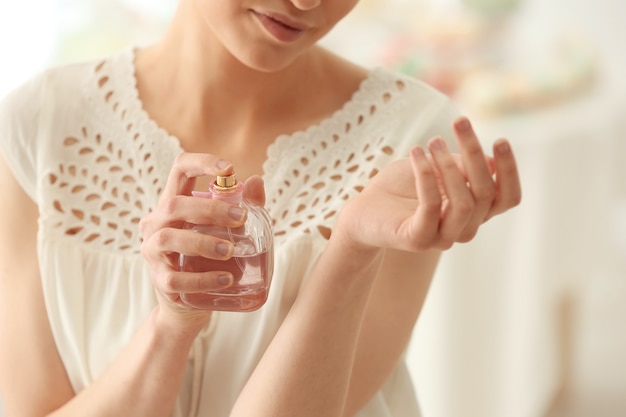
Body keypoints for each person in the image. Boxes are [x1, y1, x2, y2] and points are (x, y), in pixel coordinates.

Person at [0, 0, 521, 416]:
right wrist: (172, 327)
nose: (306, 2)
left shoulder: (409, 139)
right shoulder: (39, 129)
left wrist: (350, 249)